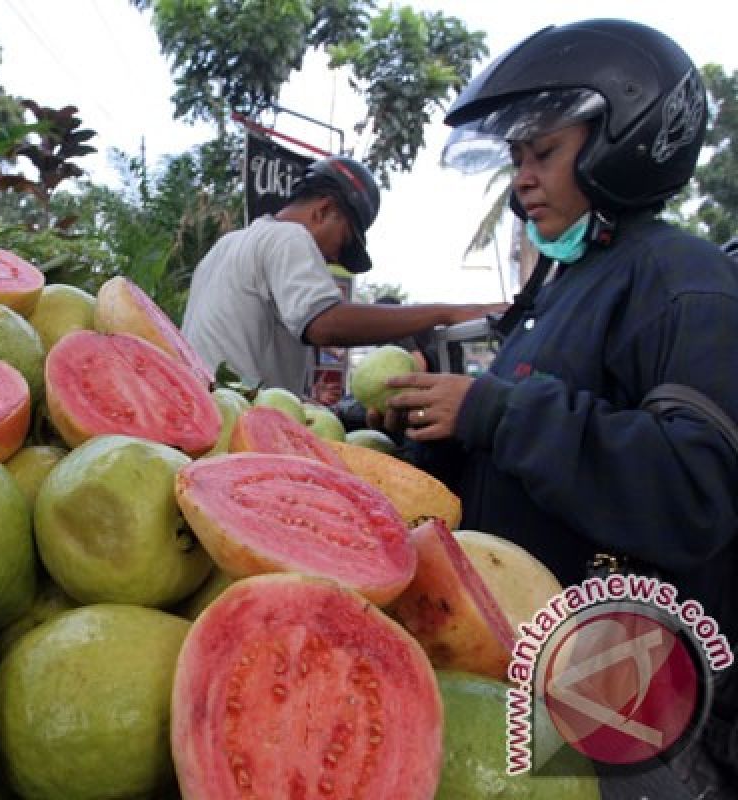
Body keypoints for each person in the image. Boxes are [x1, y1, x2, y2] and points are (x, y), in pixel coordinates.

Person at [375, 19, 738, 798]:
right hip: (524, 666)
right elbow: (517, 459)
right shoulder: (562, 290)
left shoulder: (683, 282)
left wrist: (498, 414)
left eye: (543, 153)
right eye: (515, 161)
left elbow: (692, 490)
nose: (522, 181)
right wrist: (428, 438)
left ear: (626, 141)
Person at [180, 154, 504, 393]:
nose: (335, 257)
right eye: (344, 241)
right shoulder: (289, 236)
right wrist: (445, 313)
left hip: (203, 409)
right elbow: (326, 324)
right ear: (323, 211)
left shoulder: (224, 248)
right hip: (239, 422)